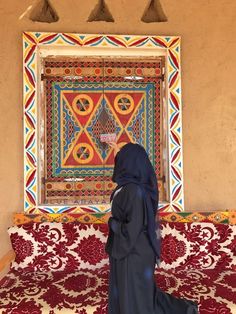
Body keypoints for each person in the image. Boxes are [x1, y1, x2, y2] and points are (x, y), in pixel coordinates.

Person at [105, 142, 198, 314]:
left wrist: (111, 222)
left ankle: (185, 310)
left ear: (129, 163)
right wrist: (117, 151)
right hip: (130, 249)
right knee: (135, 294)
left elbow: (132, 229)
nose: (119, 162)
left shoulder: (133, 191)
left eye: (122, 158)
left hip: (134, 251)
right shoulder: (129, 186)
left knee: (138, 298)